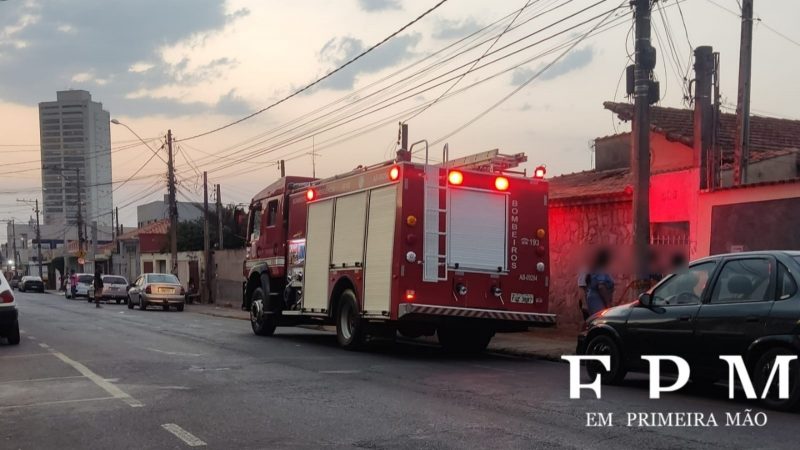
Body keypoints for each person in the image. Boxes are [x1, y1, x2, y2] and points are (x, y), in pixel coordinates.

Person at [586, 249, 614, 316]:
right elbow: (601, 287)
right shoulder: (601, 270)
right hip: (598, 300)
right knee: (601, 319)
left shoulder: (596, 269)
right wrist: (607, 303)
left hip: (593, 298)